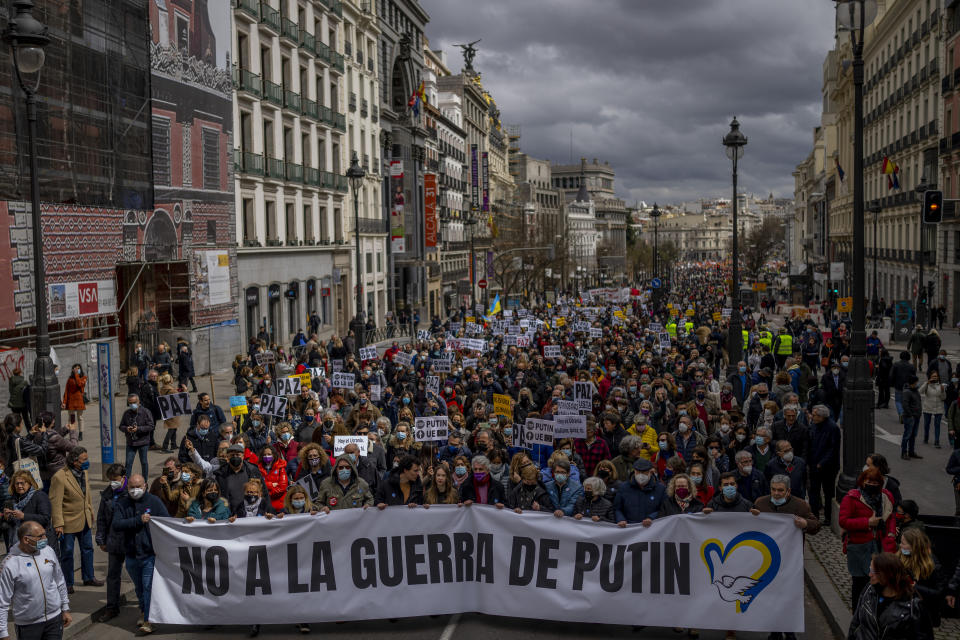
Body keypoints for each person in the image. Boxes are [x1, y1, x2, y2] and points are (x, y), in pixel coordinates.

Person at [112, 474, 169, 635]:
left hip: (149, 554)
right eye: (132, 487)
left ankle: (150, 620)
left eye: (138, 486)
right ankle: (144, 611)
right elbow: (117, 524)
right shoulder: (122, 504)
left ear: (145, 486)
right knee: (139, 588)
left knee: (148, 587)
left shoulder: (154, 502)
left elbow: (167, 521)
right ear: (127, 487)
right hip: (131, 554)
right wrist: (138, 520)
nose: (135, 490)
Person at [0, 520, 72, 640]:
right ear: (26, 539)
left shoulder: (48, 551)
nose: (45, 538)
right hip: (28, 625)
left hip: (54, 619)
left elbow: (59, 580)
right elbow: (2, 601)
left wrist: (65, 608)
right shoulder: (10, 564)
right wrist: (3, 632)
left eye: (45, 534)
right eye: (40, 536)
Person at [839, 467, 898, 607]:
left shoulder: (886, 497)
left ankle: (874, 610)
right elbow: (843, 521)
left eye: (875, 482)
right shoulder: (851, 498)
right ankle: (857, 611)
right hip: (858, 546)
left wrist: (890, 534)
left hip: (879, 544)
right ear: (862, 481)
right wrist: (867, 522)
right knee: (859, 582)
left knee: (879, 580)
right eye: (868, 481)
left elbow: (891, 517)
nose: (872, 484)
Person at [49, 447, 102, 593]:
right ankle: (67, 582)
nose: (87, 462)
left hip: (84, 518)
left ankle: (89, 577)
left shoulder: (83, 472)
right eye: (84, 459)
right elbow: (55, 502)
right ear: (74, 461)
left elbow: (87, 493)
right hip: (68, 522)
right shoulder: (59, 477)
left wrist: (90, 509)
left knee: (88, 549)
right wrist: (58, 523)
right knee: (67, 552)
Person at [848, 552, 930, 640]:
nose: (869, 574)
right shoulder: (869, 590)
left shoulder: (914, 607)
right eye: (870, 569)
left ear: (887, 575)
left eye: (873, 571)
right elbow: (856, 623)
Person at [94, 463, 128, 623]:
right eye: (111, 480)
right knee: (113, 575)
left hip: (131, 540)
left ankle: (145, 609)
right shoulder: (108, 494)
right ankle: (111, 608)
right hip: (114, 541)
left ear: (124, 478)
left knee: (139, 573)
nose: (113, 483)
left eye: (116, 480)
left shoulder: (132, 491)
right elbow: (101, 518)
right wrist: (101, 539)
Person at [897, 529, 944, 633]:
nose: (900, 546)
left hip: (923, 614)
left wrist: (915, 587)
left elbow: (939, 593)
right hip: (903, 610)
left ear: (914, 546)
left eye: (903, 543)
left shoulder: (932, 566)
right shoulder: (900, 558)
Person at [753, 474, 820, 536]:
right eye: (773, 489)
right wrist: (753, 516)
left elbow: (816, 526)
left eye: (780, 490)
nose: (776, 493)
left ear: (788, 491)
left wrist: (806, 524)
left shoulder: (801, 505)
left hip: (789, 546)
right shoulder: (760, 503)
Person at [2, 471, 52, 552]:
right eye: (16, 484)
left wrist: (24, 516)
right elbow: (10, 525)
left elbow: (45, 518)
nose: (19, 486)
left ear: (30, 483)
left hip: (38, 543)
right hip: (18, 545)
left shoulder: (39, 496)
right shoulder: (13, 500)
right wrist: (6, 517)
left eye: (22, 483)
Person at [808, 404, 841, 522]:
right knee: (814, 492)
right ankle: (814, 516)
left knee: (828, 492)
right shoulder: (814, 425)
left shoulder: (832, 428)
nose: (813, 417)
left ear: (822, 417)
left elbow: (833, 449)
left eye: (816, 415)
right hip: (814, 464)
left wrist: (821, 463)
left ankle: (828, 517)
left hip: (828, 467)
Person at [613, 458, 665, 527]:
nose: (640, 475)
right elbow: (617, 508)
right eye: (638, 472)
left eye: (644, 472)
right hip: (629, 527)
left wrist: (651, 517)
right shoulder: (623, 487)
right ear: (634, 471)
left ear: (651, 472)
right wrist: (621, 519)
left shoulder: (660, 488)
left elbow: (664, 509)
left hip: (652, 528)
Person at [120, 393, 155, 480]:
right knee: (128, 463)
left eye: (134, 402)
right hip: (131, 442)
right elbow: (121, 426)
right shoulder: (126, 413)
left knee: (143, 462)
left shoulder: (146, 412)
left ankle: (145, 481)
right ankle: (126, 482)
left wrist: (138, 429)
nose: (132, 405)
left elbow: (151, 426)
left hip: (143, 442)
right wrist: (127, 429)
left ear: (139, 402)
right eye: (130, 403)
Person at [919, 371, 946, 449]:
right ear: (930, 377)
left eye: (936, 376)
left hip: (938, 408)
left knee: (937, 425)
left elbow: (944, 398)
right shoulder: (926, 384)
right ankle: (926, 437)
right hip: (928, 408)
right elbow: (920, 391)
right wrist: (927, 383)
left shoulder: (940, 385)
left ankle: (937, 441)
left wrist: (943, 390)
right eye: (933, 376)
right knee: (926, 425)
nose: (935, 378)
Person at [60, 364, 86, 441]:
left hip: (79, 401)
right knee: (71, 418)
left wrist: (76, 375)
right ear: (72, 370)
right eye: (75, 368)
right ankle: (72, 432)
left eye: (79, 368)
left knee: (80, 418)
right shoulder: (70, 379)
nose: (77, 369)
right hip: (71, 402)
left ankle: (81, 433)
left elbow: (79, 384)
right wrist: (64, 402)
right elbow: (66, 392)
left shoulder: (83, 378)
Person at [901, 375, 923, 460]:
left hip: (916, 416)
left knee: (913, 435)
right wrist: (910, 415)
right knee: (907, 435)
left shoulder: (915, 391)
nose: (917, 384)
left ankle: (911, 452)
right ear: (912, 383)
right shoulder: (907, 392)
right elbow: (905, 405)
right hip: (910, 417)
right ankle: (903, 453)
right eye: (916, 382)